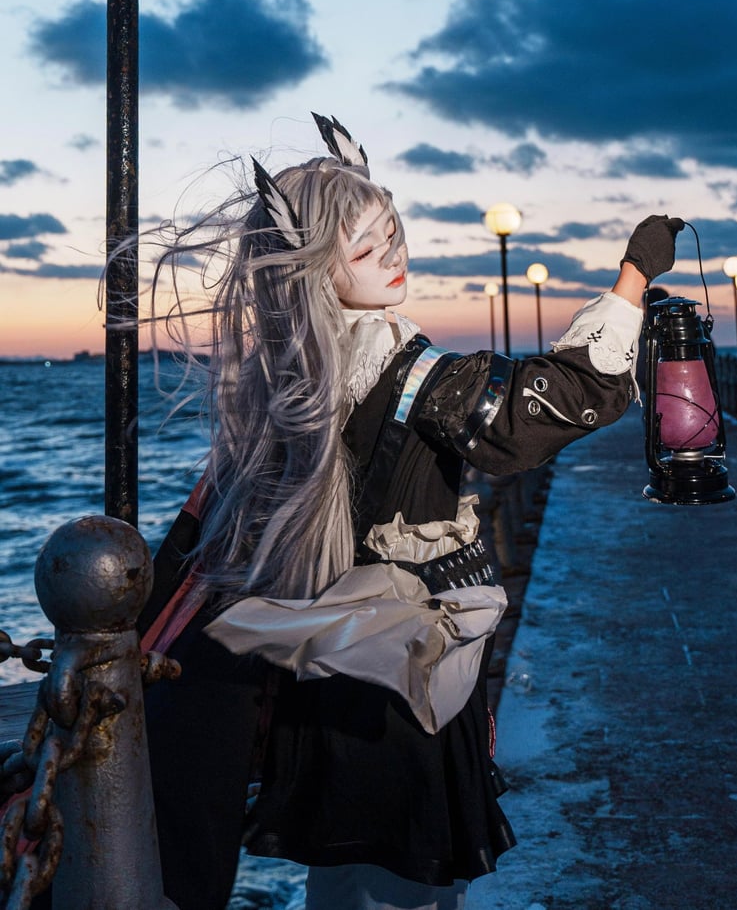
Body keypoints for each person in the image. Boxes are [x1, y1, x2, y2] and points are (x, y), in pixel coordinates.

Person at [139, 113, 683, 910]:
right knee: (403, 885)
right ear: (316, 272)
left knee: (349, 879)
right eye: (366, 249)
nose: (393, 255)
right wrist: (633, 278)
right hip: (402, 683)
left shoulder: (297, 389)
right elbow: (544, 411)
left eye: (391, 232)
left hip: (337, 673)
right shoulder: (418, 379)